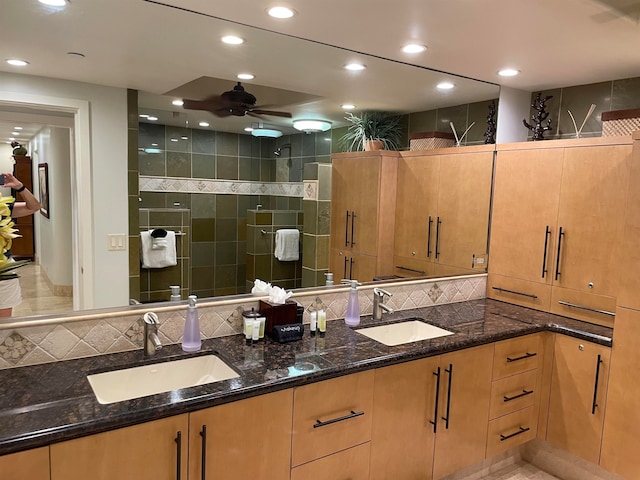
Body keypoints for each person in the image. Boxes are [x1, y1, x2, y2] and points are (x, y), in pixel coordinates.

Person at [0, 173, 41, 317]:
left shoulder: (3, 208)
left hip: (3, 272)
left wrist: (20, 187)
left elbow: (34, 206)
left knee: (4, 327)